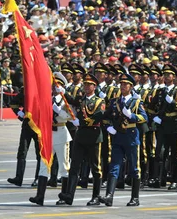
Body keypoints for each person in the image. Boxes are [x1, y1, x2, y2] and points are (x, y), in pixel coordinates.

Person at [100, 73, 147, 206]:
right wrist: (109, 127)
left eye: (125, 84)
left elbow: (144, 118)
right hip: (118, 136)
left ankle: (135, 198)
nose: (123, 86)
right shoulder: (115, 101)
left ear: (131, 87)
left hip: (131, 136)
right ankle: (109, 196)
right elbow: (106, 117)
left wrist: (131, 115)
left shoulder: (137, 102)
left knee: (134, 168)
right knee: (114, 166)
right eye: (121, 84)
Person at [57, 73, 105, 206]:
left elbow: (98, 116)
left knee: (95, 168)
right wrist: (63, 92)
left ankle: (96, 196)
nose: (86, 86)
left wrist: (81, 122)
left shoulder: (99, 101)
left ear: (94, 87)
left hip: (93, 136)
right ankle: (69, 195)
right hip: (80, 136)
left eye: (89, 84)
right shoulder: (81, 99)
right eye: (85, 84)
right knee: (74, 167)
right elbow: (71, 100)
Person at [29, 72, 74, 206]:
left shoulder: (65, 100)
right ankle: (40, 196)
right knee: (44, 165)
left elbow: (71, 116)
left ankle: (64, 196)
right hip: (48, 134)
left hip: (61, 133)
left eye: (57, 85)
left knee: (64, 167)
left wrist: (58, 110)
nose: (54, 87)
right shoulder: (47, 99)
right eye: (53, 85)